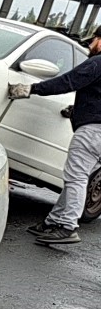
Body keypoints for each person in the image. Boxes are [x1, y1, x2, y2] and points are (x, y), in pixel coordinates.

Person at [8, 25, 101, 245]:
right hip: (97, 132)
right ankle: (54, 221)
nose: (90, 45)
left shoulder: (97, 63)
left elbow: (67, 82)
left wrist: (31, 89)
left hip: (93, 131)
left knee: (75, 178)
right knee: (76, 177)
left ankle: (68, 226)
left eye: (94, 39)